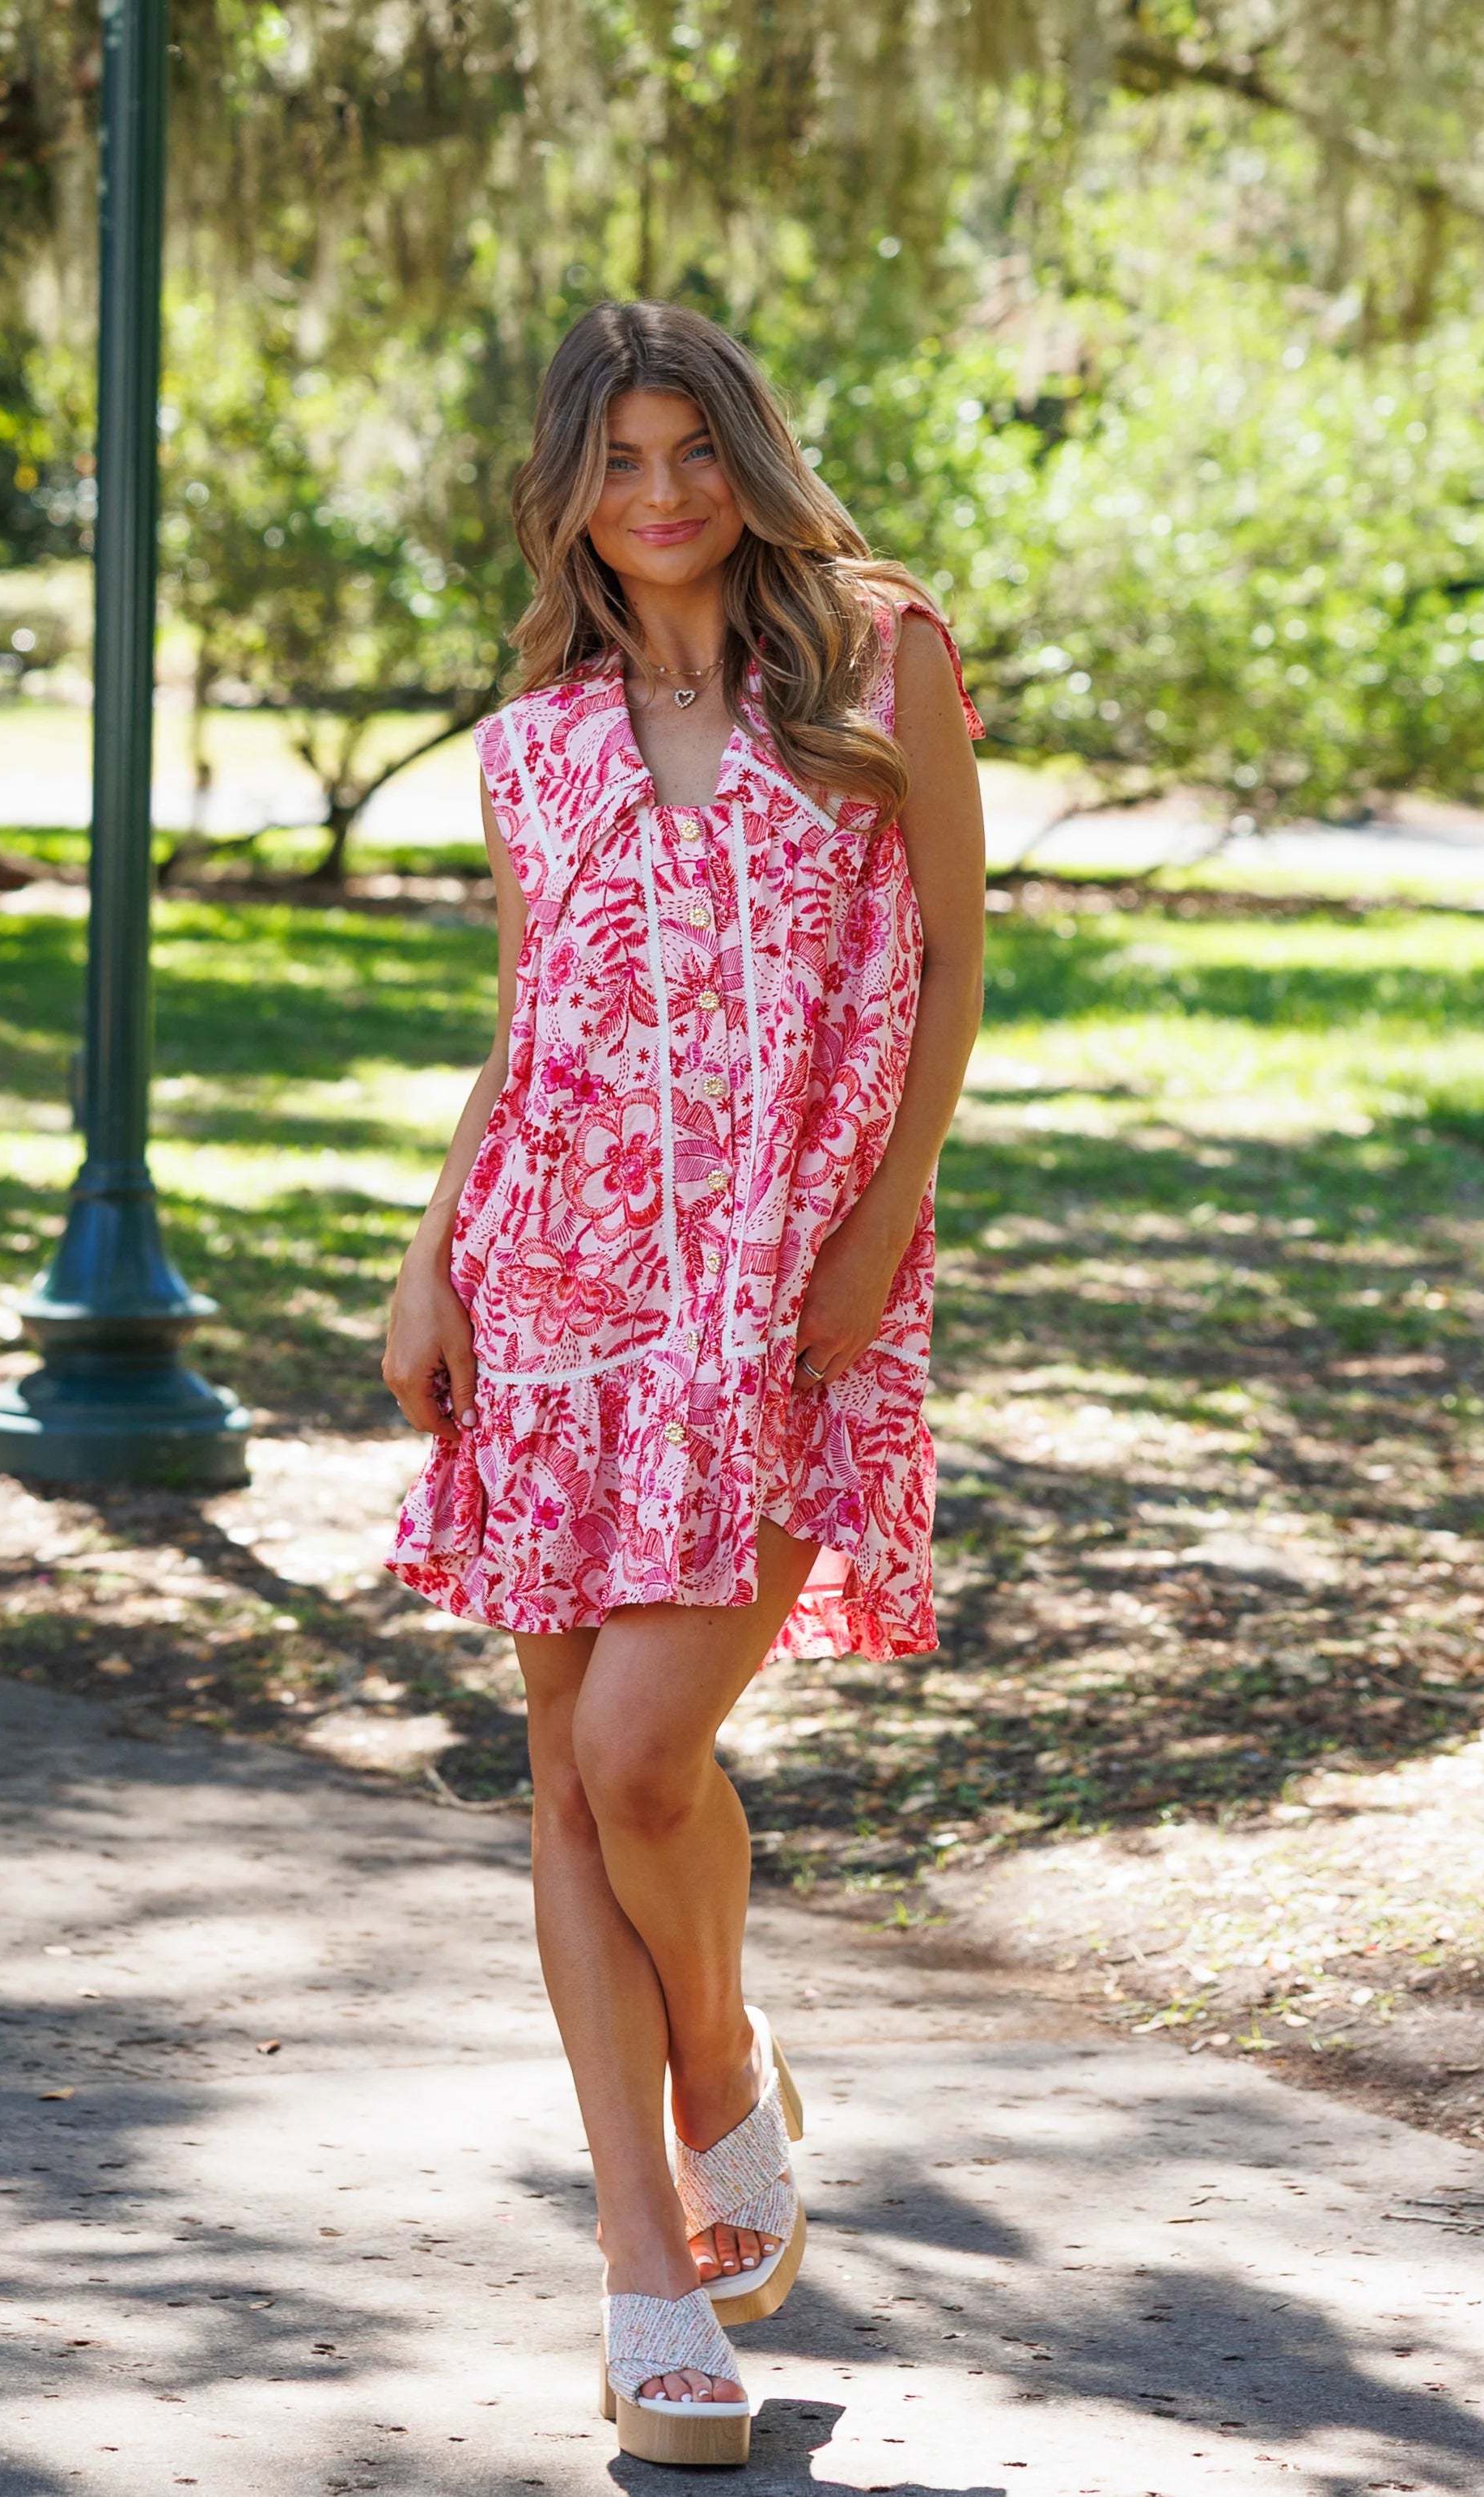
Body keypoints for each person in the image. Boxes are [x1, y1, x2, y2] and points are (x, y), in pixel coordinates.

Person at [382, 299, 986, 2468]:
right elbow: (534, 1019)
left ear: (744, 454)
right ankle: (648, 2277)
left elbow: (941, 977)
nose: (661, 498)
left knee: (646, 1754)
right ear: (567, 489)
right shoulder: (532, 737)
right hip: (552, 1284)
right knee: (562, 1772)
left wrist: (867, 1242)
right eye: (618, 462)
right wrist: (429, 1254)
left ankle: (721, 2063)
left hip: (781, 1286)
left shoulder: (875, 656)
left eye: (692, 452)